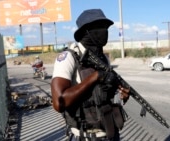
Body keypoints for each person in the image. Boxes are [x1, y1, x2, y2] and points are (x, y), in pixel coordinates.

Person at [51, 9, 130, 141]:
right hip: (84, 136)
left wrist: (121, 96)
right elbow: (59, 103)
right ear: (85, 31)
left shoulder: (104, 59)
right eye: (99, 27)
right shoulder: (68, 57)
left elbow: (105, 97)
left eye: (105, 27)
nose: (104, 31)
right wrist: (95, 77)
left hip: (110, 133)